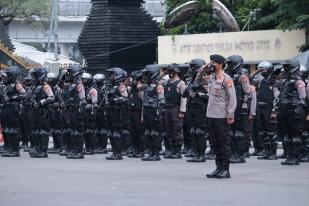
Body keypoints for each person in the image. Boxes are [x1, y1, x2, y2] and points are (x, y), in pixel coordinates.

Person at [201, 54, 237, 179]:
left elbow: (232, 98)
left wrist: (230, 114)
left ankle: (225, 169)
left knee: (223, 143)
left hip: (222, 116)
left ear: (220, 64)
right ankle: (218, 167)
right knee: (214, 143)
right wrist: (203, 68)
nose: (211, 64)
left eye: (213, 62)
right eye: (210, 62)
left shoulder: (226, 79)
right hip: (210, 114)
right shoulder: (211, 78)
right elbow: (198, 80)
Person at [277, 60, 306, 165]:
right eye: (285, 67)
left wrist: (298, 109)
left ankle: (296, 157)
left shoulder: (299, 82)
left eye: (288, 67)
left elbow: (302, 98)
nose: (285, 69)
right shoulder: (285, 81)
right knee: (286, 136)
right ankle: (289, 156)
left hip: (294, 111)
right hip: (284, 110)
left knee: (295, 136)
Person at [225, 55, 251, 163]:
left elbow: (247, 92)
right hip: (230, 106)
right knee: (230, 132)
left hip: (240, 107)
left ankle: (240, 155)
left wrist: (244, 106)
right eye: (229, 64)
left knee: (238, 133)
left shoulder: (242, 77)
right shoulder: (227, 75)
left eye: (232, 64)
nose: (230, 66)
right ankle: (232, 153)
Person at [182, 58, 209, 162]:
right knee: (193, 131)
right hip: (192, 108)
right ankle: (195, 152)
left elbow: (211, 95)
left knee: (199, 132)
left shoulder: (205, 79)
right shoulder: (192, 79)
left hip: (201, 108)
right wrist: (188, 88)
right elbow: (184, 95)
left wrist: (199, 94)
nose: (190, 68)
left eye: (192, 66)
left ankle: (201, 154)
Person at [163, 63, 187, 159]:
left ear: (176, 72)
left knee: (177, 130)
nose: (170, 73)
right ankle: (172, 150)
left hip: (176, 108)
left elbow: (184, 98)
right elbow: (158, 81)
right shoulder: (168, 81)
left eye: (171, 71)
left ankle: (177, 151)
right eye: (169, 71)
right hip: (168, 108)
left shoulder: (181, 83)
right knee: (169, 130)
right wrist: (163, 72)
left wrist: (182, 111)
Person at [1, 66, 25, 157]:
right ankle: (10, 148)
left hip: (13, 109)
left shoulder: (17, 85)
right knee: (7, 130)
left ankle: (15, 150)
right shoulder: (5, 86)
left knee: (13, 130)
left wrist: (14, 98)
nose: (5, 77)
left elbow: (25, 94)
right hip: (6, 109)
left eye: (7, 75)